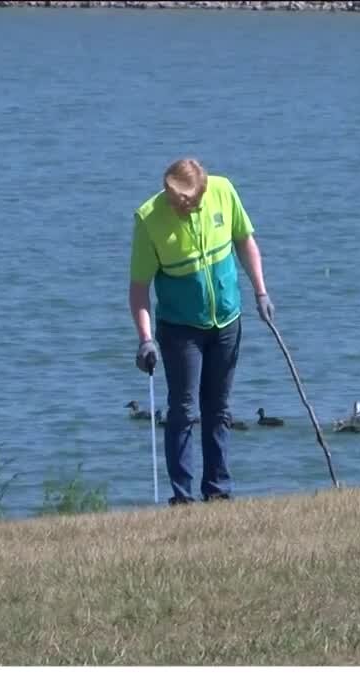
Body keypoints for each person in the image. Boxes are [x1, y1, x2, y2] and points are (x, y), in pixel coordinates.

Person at [128, 158, 275, 505]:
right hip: (180, 330)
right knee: (182, 410)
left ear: (202, 191)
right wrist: (145, 340)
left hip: (227, 321)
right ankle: (182, 497)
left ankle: (218, 491)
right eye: (175, 197)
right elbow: (138, 289)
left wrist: (261, 291)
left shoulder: (223, 191)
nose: (181, 204)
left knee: (219, 408)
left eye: (188, 199)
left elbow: (245, 242)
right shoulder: (149, 219)